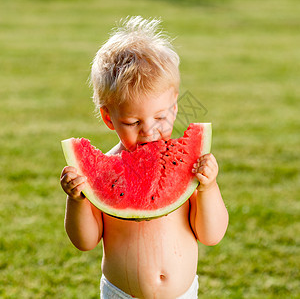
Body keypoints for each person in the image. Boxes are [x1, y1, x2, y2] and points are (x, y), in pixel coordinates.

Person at [60, 16, 229, 299]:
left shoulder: (188, 167)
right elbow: (85, 241)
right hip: (121, 294)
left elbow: (211, 235)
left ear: (174, 108)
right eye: (132, 122)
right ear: (108, 117)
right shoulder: (101, 175)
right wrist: (76, 200)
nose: (149, 131)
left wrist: (209, 187)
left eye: (160, 117)